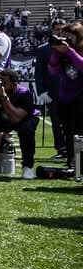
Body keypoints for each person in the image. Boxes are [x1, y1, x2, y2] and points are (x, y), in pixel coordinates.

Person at [49, 23, 83, 170]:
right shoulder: (62, 51)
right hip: (65, 96)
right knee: (68, 132)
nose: (67, 39)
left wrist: (69, 51)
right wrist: (56, 52)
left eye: (70, 37)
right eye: (65, 36)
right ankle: (71, 160)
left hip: (81, 96)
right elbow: (54, 70)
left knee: (80, 131)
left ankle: (80, 162)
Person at [33, 21, 67, 159]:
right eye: (57, 29)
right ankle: (61, 149)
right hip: (52, 92)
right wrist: (41, 91)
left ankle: (71, 150)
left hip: (71, 91)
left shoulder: (70, 48)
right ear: (52, 31)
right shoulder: (43, 49)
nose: (59, 32)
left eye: (62, 30)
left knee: (71, 122)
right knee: (56, 122)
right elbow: (39, 72)